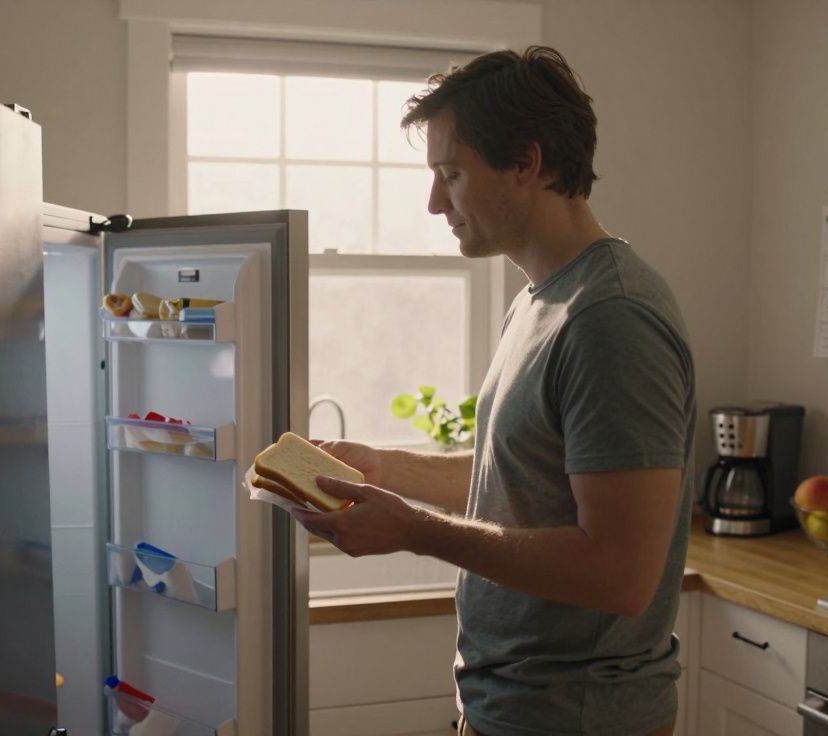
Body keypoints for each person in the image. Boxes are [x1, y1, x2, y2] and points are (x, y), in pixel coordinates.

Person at [292, 46, 696, 736]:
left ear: (525, 164)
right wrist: (387, 469)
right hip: (513, 709)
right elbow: (518, 481)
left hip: (580, 720)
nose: (433, 202)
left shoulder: (611, 319)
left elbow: (620, 572)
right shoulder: (543, 301)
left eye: (451, 174)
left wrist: (413, 530)